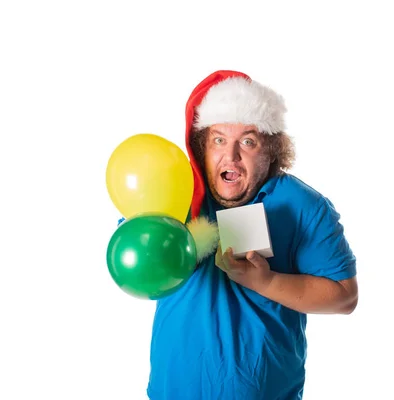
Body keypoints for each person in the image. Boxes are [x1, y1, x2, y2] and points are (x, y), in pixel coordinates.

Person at [146, 70, 358, 399]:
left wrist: (266, 281)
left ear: (271, 151)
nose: (231, 156)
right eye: (218, 139)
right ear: (202, 145)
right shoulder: (174, 193)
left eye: (248, 141)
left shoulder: (303, 205)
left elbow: (344, 296)